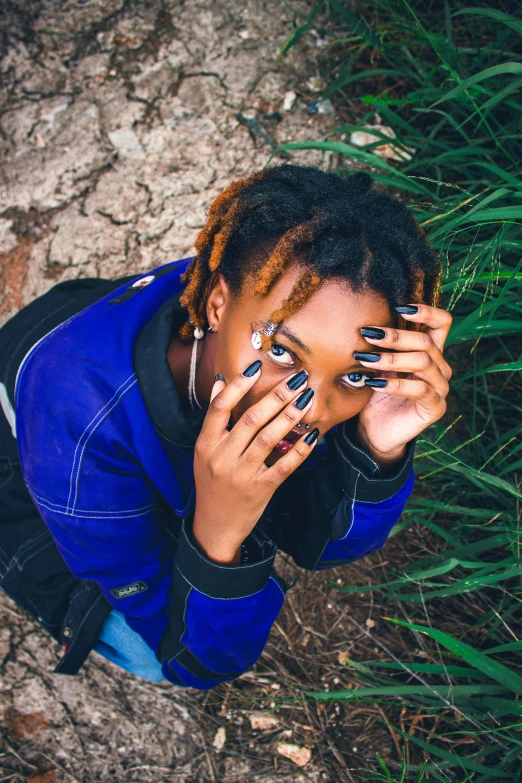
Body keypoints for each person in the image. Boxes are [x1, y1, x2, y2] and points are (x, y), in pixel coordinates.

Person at [0, 165, 452, 688]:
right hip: (25, 456)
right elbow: (199, 662)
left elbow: (320, 544)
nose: (312, 409)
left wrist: (377, 447)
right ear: (216, 303)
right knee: (151, 655)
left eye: (355, 372)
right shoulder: (77, 424)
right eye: (281, 351)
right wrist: (218, 532)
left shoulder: (262, 301)